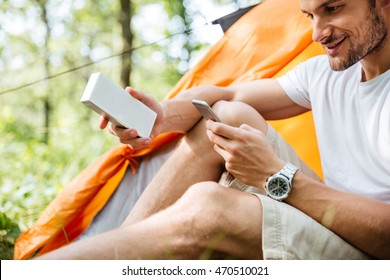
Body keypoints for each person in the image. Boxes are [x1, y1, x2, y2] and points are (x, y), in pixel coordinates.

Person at [37, 0, 390, 260]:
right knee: (225, 116)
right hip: (337, 222)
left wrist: (277, 177)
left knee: (210, 208)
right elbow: (229, 93)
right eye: (310, 16)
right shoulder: (327, 74)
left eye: (333, 9)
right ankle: (116, 255)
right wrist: (161, 115)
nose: (316, 34)